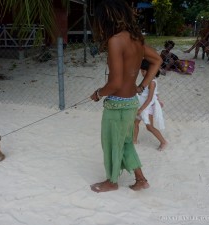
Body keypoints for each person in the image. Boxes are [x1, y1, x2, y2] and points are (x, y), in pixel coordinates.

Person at [89, 0, 162, 193]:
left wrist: (98, 94)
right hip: (131, 102)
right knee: (126, 142)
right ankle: (140, 180)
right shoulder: (137, 40)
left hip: (117, 106)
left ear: (106, 18)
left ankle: (111, 182)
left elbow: (114, 83)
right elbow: (157, 60)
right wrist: (141, 86)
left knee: (112, 143)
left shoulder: (115, 40)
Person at [133, 59, 167, 151]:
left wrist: (140, 110)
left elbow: (150, 98)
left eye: (144, 71)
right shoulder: (146, 80)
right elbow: (145, 92)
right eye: (141, 70)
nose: (142, 73)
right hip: (141, 105)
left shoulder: (152, 82)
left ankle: (163, 142)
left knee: (149, 127)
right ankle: (134, 140)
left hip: (147, 107)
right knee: (135, 123)